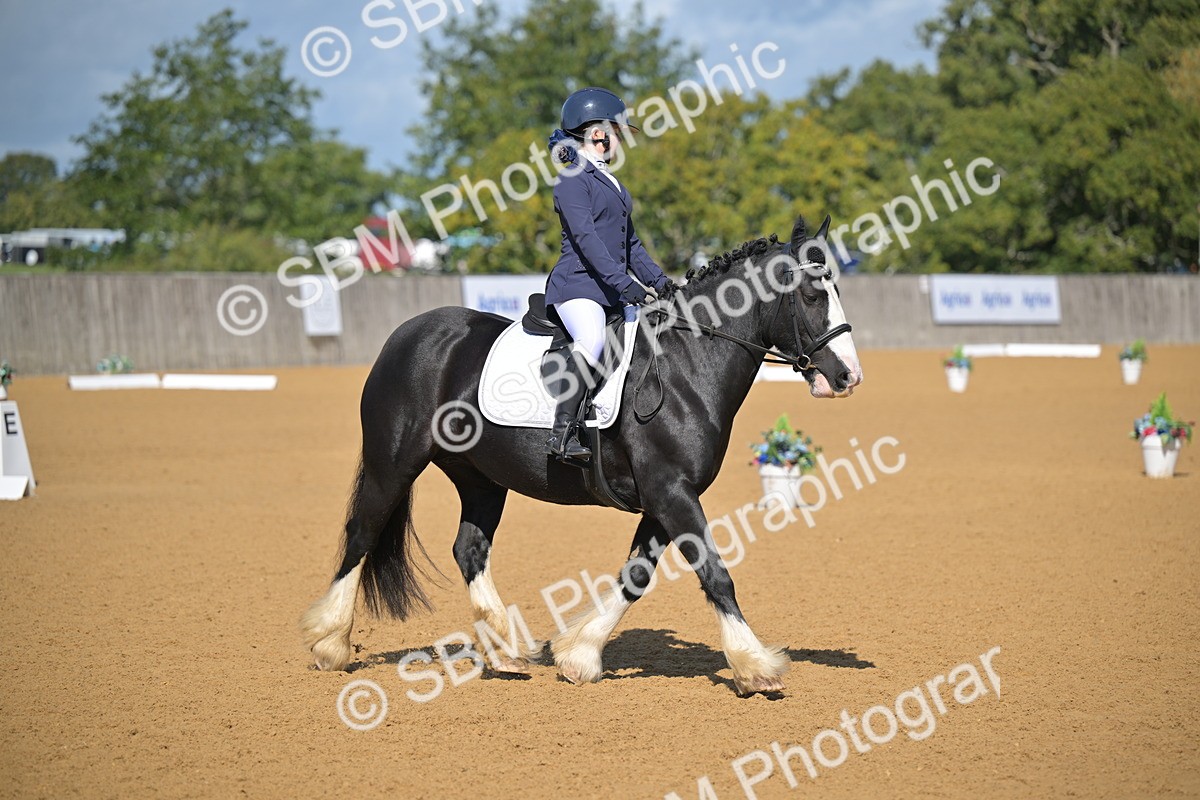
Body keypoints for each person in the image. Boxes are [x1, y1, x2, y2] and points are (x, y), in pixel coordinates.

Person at [543, 86, 677, 464]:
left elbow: (631, 244)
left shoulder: (612, 183)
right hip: (578, 285)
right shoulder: (572, 179)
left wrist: (661, 283)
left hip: (610, 288)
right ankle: (562, 433)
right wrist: (624, 283)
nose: (621, 140)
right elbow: (586, 239)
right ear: (598, 133)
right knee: (592, 339)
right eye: (618, 132)